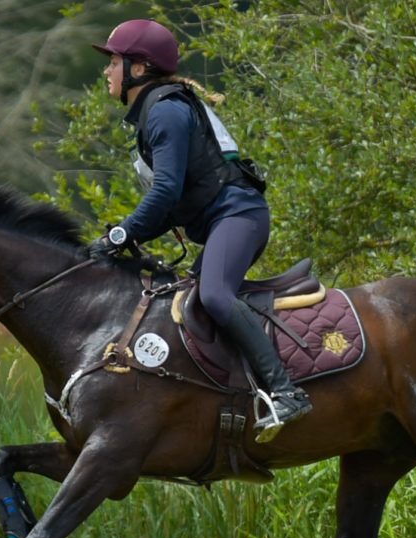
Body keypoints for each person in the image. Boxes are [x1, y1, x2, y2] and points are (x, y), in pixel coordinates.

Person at [88, 19, 312, 443]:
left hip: (240, 215)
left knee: (214, 295)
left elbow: (167, 191)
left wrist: (121, 235)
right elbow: (171, 201)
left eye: (113, 62)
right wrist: (130, 237)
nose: (106, 71)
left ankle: (287, 392)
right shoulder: (159, 109)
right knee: (190, 298)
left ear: (138, 69)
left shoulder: (165, 111)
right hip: (226, 218)